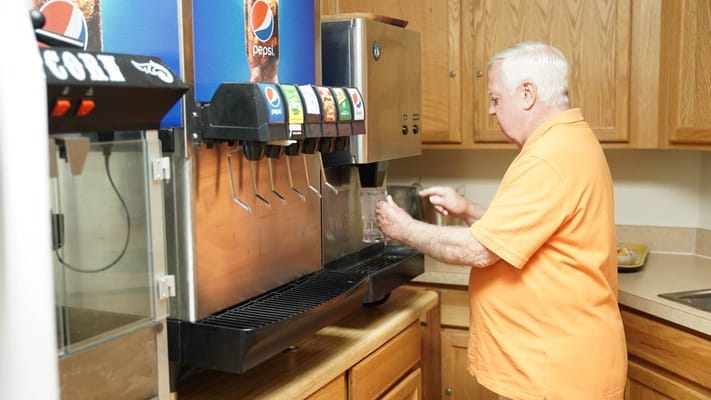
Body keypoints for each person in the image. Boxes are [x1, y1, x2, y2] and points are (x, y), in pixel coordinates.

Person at [375, 41, 627, 400]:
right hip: (557, 366)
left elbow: (481, 250)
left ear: (527, 94)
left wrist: (403, 228)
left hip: (553, 375)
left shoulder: (549, 157)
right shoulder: (569, 140)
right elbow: (534, 232)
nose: (491, 111)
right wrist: (468, 210)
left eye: (495, 98)